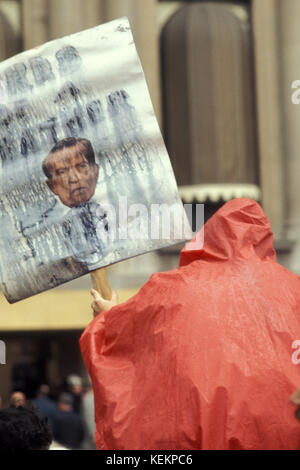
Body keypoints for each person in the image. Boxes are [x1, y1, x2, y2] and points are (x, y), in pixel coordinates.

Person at [80, 198, 300, 450]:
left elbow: (133, 339)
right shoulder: (293, 290)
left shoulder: (176, 289)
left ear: (211, 234)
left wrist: (107, 317)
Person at [42, 137, 109, 269]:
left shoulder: (115, 215)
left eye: (81, 166)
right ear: (52, 186)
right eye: (62, 172)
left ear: (95, 172)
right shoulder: (51, 233)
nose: (74, 178)